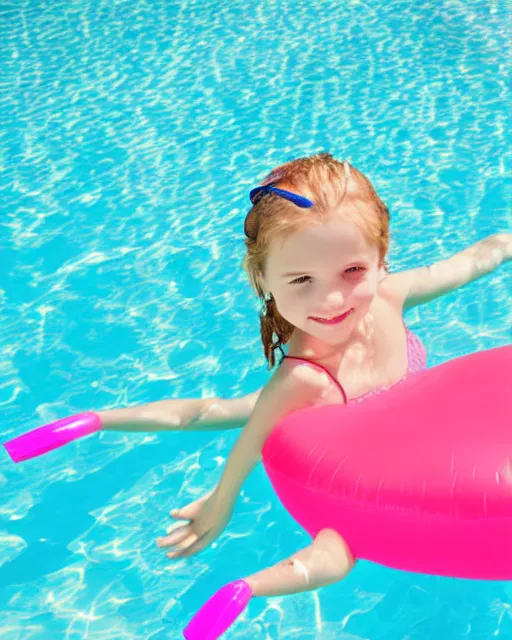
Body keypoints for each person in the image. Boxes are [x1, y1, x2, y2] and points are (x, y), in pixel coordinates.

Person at [110, 153, 510, 599]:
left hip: (400, 407)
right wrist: (220, 503)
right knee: (219, 412)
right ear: (263, 280)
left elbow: (470, 263)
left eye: (352, 270)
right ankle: (103, 420)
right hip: (336, 411)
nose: (333, 299)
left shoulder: (389, 296)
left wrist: (504, 244)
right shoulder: (302, 381)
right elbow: (252, 444)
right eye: (302, 280)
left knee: (230, 410)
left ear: (382, 260)